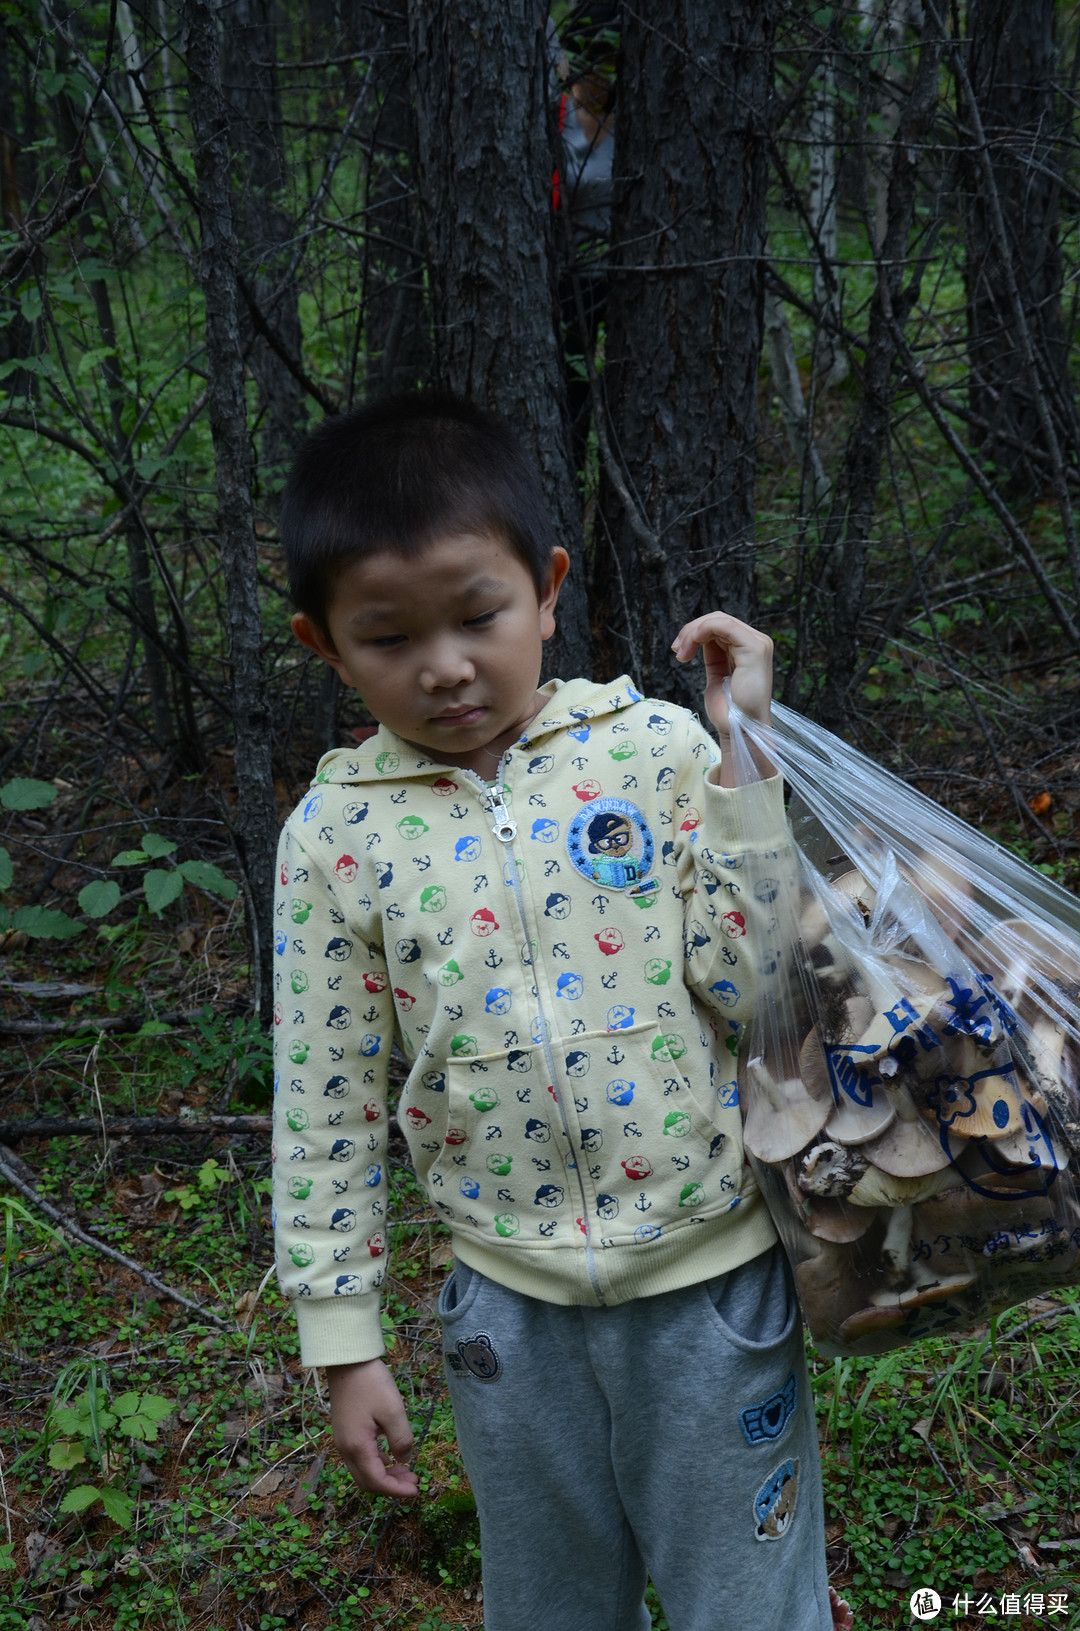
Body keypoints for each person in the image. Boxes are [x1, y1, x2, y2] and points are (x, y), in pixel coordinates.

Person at [272, 393, 850, 1631]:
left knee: (748, 1604)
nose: (444, 665)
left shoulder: (651, 753)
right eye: (388, 636)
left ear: (547, 590)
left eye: (479, 615)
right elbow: (324, 1097)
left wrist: (743, 766)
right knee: (550, 1607)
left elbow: (761, 991)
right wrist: (343, 1333)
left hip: (714, 1290)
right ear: (326, 647)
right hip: (508, 1319)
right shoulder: (337, 836)